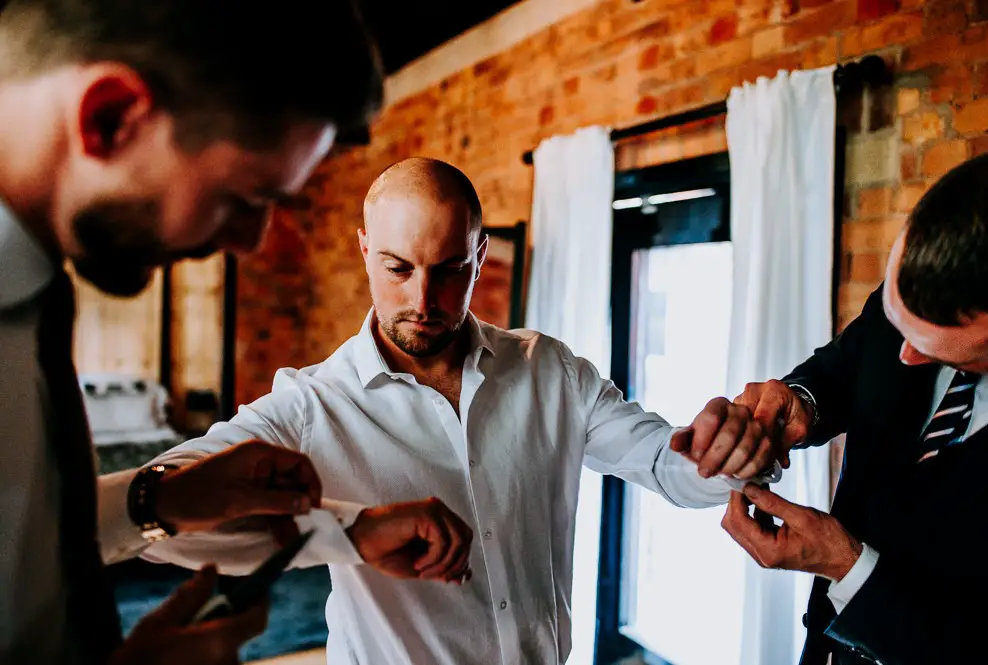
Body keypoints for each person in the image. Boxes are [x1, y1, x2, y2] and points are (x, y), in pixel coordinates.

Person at [139, 157, 785, 665]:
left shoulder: (549, 371)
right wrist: (352, 529)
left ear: (479, 256)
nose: (423, 298)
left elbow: (663, 462)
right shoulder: (311, 405)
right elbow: (166, 518)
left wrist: (724, 454)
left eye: (449, 270)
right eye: (398, 268)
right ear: (364, 250)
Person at [0, 3, 472, 665]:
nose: (249, 244)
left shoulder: (35, 296)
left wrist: (159, 498)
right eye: (245, 198)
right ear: (110, 118)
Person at [719, 151, 988, 665]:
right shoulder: (920, 294)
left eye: (931, 343)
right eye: (898, 321)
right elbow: (848, 366)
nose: (907, 355)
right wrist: (801, 401)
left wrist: (846, 565)